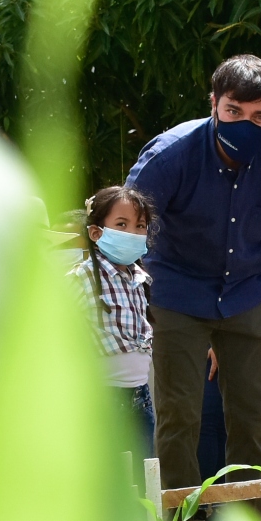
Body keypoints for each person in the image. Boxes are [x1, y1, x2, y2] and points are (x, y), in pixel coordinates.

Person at [126, 55, 261, 521]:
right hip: (177, 292)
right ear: (213, 103)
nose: (247, 124)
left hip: (248, 294)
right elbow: (129, 225)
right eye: (234, 111)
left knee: (252, 416)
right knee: (179, 415)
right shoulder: (169, 155)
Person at [70, 186, 157, 456]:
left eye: (140, 225)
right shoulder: (81, 279)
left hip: (140, 398)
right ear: (96, 233)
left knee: (141, 477)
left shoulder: (140, 279)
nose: (132, 233)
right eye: (121, 224)